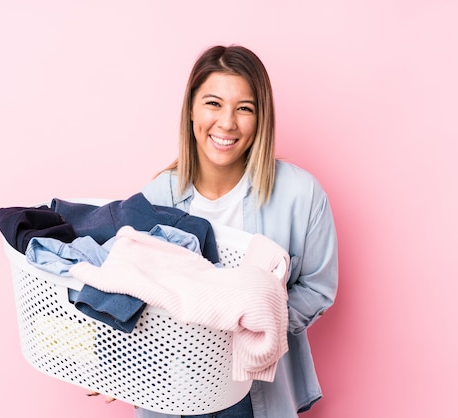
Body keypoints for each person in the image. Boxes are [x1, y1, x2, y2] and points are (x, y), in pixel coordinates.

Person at [129, 45, 338, 418]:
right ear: (191, 110)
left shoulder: (301, 195)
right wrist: (116, 360)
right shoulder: (155, 197)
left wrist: (252, 325)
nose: (227, 123)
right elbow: (132, 290)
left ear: (261, 119)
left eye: (244, 108)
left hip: (255, 392)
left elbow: (318, 288)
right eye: (213, 103)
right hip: (174, 388)